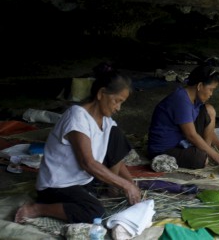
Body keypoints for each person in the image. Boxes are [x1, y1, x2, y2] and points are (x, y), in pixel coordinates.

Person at [14, 63, 141, 224]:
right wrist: (124, 185)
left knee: (116, 136)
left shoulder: (107, 122)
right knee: (95, 213)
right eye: (117, 101)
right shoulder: (77, 117)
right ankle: (38, 208)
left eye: (122, 103)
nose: (119, 108)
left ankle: (110, 188)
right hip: (57, 186)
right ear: (101, 93)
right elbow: (87, 163)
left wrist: (131, 183)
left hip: (83, 182)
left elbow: (116, 157)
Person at [147, 64, 219, 169]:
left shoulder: (194, 100)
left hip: (180, 140)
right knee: (200, 159)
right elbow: (191, 135)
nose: (211, 94)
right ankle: (205, 153)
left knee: (209, 110)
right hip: (164, 149)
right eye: (210, 89)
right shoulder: (181, 100)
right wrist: (216, 156)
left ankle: (205, 151)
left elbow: (208, 130)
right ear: (200, 86)